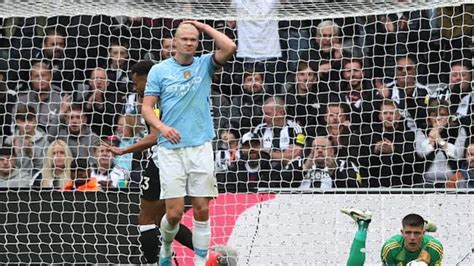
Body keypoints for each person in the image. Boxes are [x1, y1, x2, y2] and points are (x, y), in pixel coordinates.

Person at [142, 21, 236, 265]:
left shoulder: (205, 65)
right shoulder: (159, 71)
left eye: (193, 39)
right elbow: (146, 108)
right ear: (175, 42)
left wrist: (203, 27)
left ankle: (201, 262)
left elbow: (229, 46)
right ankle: (165, 248)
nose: (189, 43)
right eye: (184, 39)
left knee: (202, 209)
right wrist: (162, 127)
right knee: (172, 215)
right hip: (170, 151)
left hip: (200, 146)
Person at [341, 208, 442, 266]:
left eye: (417, 233)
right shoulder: (391, 247)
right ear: (402, 232)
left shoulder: (434, 248)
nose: (412, 237)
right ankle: (362, 226)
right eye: (408, 232)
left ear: (423, 233)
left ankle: (425, 224)